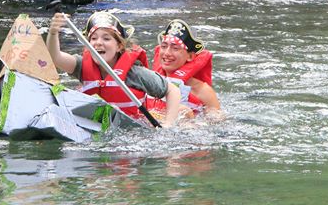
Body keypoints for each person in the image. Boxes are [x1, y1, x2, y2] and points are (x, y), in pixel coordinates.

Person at [46, 11, 194, 126]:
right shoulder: (80, 66)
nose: (98, 43)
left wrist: (169, 124)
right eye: (93, 38)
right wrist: (53, 33)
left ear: (119, 46)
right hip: (98, 124)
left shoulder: (134, 74)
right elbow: (55, 57)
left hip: (135, 124)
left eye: (106, 38)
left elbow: (172, 90)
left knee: (185, 116)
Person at [152, 19, 221, 114]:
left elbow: (217, 124)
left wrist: (189, 119)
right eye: (164, 46)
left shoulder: (203, 91)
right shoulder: (149, 80)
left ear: (190, 56)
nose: (167, 53)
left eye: (175, 48)